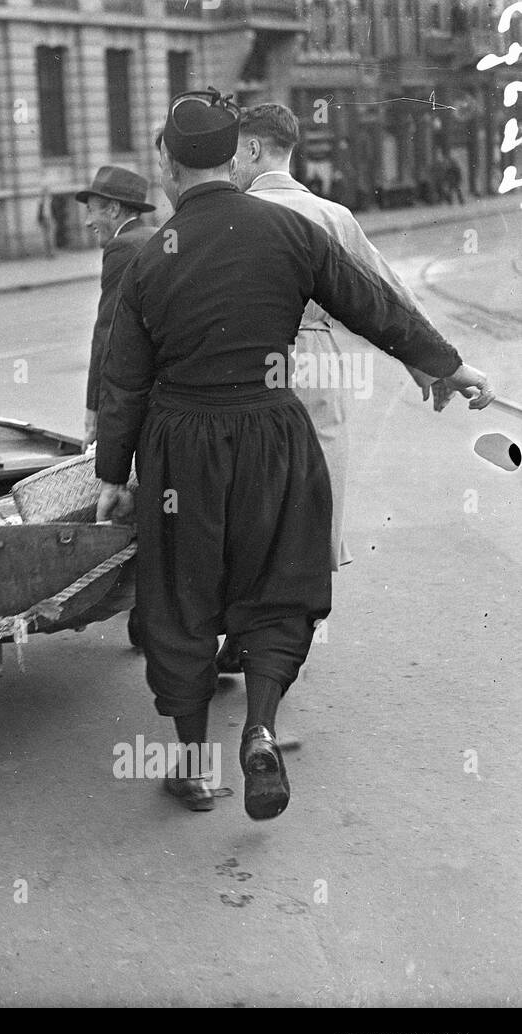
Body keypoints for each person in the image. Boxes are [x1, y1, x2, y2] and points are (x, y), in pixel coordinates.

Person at [94, 89, 495, 821]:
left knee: (183, 599)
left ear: (172, 168)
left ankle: (191, 765)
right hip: (275, 433)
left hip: (184, 445)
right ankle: (261, 728)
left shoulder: (154, 257)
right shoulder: (291, 232)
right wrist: (449, 365)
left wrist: (114, 475)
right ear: (232, 155)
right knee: (278, 585)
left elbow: (124, 379)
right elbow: (377, 306)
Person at [226, 103, 453, 697]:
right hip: (318, 368)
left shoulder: (234, 213)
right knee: (315, 496)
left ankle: (241, 625)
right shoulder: (331, 215)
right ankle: (281, 634)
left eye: (236, 152)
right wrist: (428, 365)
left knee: (248, 493)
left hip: (248, 367)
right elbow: (384, 296)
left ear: (254, 151)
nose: (230, 165)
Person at [77, 166, 158, 450]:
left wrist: (93, 412)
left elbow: (107, 335)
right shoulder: (155, 234)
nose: (88, 222)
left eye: (91, 211)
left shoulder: (122, 247)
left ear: (113, 209)